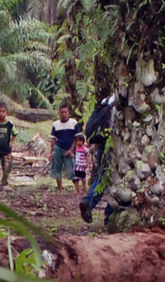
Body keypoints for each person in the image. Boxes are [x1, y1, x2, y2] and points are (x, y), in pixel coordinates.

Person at [78, 94, 116, 223]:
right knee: (116, 179)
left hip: (102, 144)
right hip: (114, 145)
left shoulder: (106, 101)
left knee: (103, 176)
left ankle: (90, 203)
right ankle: (108, 215)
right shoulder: (120, 101)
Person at [49, 104, 80, 189]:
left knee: (71, 169)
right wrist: (51, 152)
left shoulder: (73, 123)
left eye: (65, 112)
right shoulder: (56, 124)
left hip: (69, 149)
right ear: (59, 113)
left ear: (68, 112)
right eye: (62, 112)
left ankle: (77, 189)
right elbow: (53, 139)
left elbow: (76, 138)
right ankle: (60, 189)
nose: (64, 114)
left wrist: (71, 150)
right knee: (57, 169)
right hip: (58, 148)